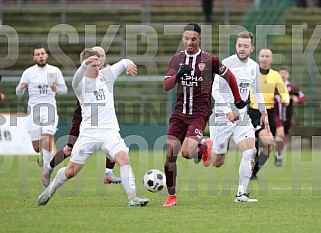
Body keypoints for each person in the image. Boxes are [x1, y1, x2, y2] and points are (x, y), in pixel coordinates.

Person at [37, 48, 149, 207]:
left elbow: (124, 62)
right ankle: (51, 189)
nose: (98, 68)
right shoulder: (80, 84)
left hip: (110, 132)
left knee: (123, 158)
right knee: (70, 172)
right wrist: (84, 65)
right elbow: (75, 79)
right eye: (93, 66)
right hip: (88, 134)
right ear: (84, 65)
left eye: (98, 65)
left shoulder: (106, 75)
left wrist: (129, 64)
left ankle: (133, 197)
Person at [162, 22, 247, 207]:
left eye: (193, 39)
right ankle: (172, 196)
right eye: (186, 38)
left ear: (199, 39)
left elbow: (229, 76)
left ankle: (201, 147)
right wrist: (177, 76)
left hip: (199, 113)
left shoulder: (209, 60)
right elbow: (166, 86)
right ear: (182, 39)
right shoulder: (177, 59)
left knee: (186, 152)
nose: (189, 42)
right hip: (179, 113)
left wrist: (238, 100)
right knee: (170, 154)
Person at [42, 46, 121, 187]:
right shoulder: (87, 74)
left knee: (113, 143)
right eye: (97, 55)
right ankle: (49, 167)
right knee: (69, 149)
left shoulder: (105, 74)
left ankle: (108, 173)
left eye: (102, 55)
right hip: (82, 118)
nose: (101, 58)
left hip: (102, 120)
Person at [208, 31, 269, 202]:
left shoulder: (254, 66)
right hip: (222, 116)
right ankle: (204, 147)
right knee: (217, 162)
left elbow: (257, 91)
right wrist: (227, 110)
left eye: (245, 46)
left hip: (242, 117)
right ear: (236, 46)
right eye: (239, 45)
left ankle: (241, 193)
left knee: (250, 150)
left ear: (252, 47)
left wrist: (264, 112)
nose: (242, 49)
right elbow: (215, 90)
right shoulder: (226, 64)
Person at [16, 46, 67, 187]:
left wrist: (56, 89)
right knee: (37, 147)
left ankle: (46, 171)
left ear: (47, 55)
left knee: (46, 137)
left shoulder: (54, 71)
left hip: (49, 109)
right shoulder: (28, 72)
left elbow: (64, 90)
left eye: (43, 53)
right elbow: (18, 92)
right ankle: (43, 152)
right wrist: (22, 86)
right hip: (34, 111)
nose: (41, 56)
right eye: (38, 54)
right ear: (34, 58)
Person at [248, 48, 289, 179]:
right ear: (258, 58)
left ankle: (253, 173)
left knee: (268, 147)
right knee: (261, 142)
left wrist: (285, 100)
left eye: (267, 56)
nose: (264, 58)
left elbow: (284, 92)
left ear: (271, 59)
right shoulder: (251, 73)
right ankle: (278, 142)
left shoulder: (275, 75)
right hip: (254, 112)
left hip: (269, 112)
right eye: (262, 56)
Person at [274, 65, 305, 163]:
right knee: (280, 133)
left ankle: (278, 153)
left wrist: (297, 99)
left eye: (285, 74)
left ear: (288, 75)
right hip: (275, 115)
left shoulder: (292, 87)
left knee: (283, 136)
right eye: (281, 74)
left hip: (287, 116)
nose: (283, 76)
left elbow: (302, 97)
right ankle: (279, 157)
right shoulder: (274, 86)